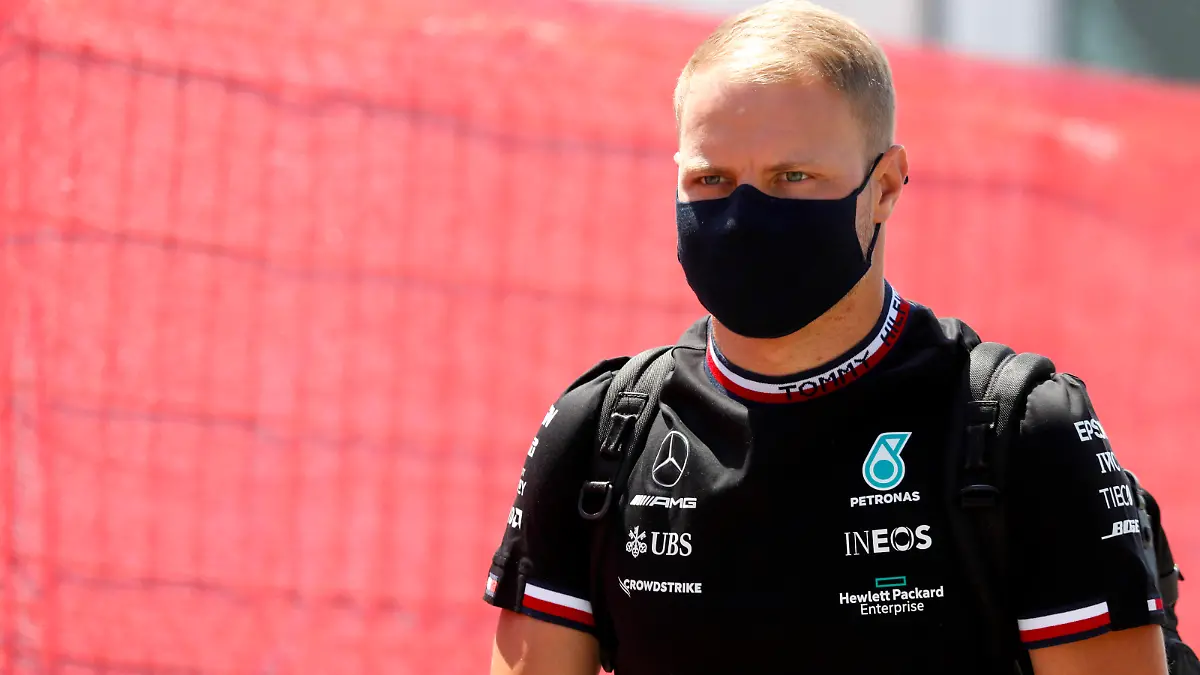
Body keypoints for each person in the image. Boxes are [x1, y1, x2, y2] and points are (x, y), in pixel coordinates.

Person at [482, 1, 1170, 673]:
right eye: (711, 179)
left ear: (887, 186)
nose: (743, 216)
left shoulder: (1020, 429)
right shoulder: (600, 435)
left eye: (793, 177)